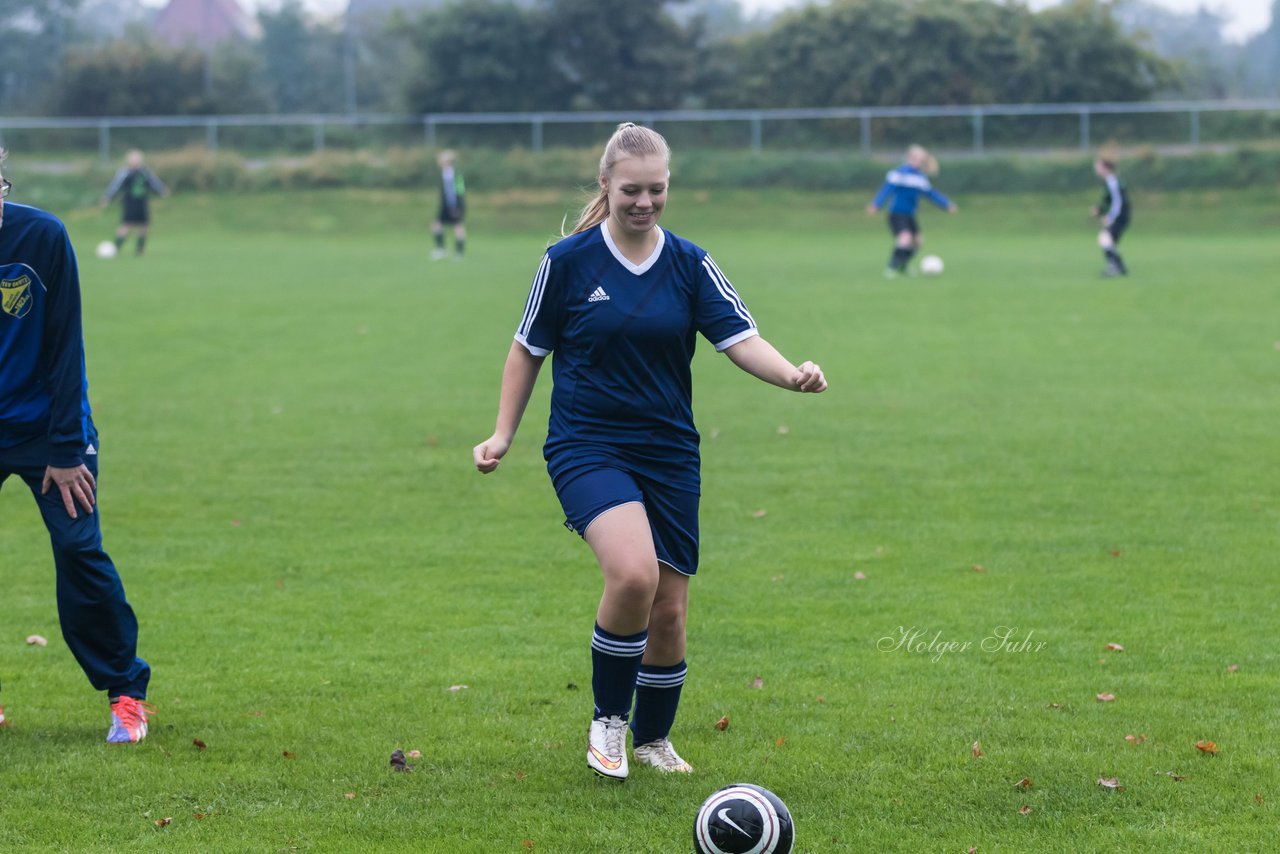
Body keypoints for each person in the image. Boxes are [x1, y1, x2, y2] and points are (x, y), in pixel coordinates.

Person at [472, 122, 827, 781]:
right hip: (587, 444)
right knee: (634, 574)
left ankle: (653, 739)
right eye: (631, 189)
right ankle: (608, 719)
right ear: (605, 184)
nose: (644, 201)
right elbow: (528, 348)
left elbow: (740, 337)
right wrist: (502, 434)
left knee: (668, 609)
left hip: (669, 452)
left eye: (656, 189)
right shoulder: (568, 262)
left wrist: (792, 375)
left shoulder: (689, 263)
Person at [0, 150, 153, 743]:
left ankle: (127, 695)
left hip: (50, 432)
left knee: (78, 553)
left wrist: (66, 450)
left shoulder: (43, 237)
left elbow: (66, 347)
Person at [865, 144, 957, 278]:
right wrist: (876, 205)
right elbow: (886, 190)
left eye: (922, 159)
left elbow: (931, 194)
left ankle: (903, 265)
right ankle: (892, 268)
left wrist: (946, 204)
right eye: (918, 158)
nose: (920, 161)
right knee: (905, 238)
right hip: (896, 213)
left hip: (909, 215)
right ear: (910, 158)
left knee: (918, 242)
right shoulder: (898, 173)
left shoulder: (920, 178)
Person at [99, 149, 167, 257]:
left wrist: (161, 190)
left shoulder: (145, 172)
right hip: (130, 202)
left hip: (142, 202)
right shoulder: (125, 172)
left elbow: (153, 183)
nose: (135, 160)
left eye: (137, 158)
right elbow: (116, 186)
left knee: (144, 226)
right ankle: (115, 248)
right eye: (133, 158)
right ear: (128, 160)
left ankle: (139, 251)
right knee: (126, 225)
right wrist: (108, 197)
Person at [1092, 157, 1130, 277]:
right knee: (1107, 240)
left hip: (1120, 216)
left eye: (1098, 167)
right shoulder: (1110, 181)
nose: (1096, 169)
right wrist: (1100, 210)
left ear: (1106, 168)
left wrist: (1110, 217)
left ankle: (1116, 267)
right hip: (1120, 215)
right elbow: (1110, 201)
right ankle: (1118, 267)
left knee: (1104, 238)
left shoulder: (1112, 181)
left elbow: (1118, 202)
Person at [431, 150, 466, 260]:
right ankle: (440, 249)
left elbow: (461, 192)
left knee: (458, 227)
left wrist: (457, 207)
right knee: (436, 225)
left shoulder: (457, 175)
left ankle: (459, 252)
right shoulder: (443, 175)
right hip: (445, 206)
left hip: (455, 206)